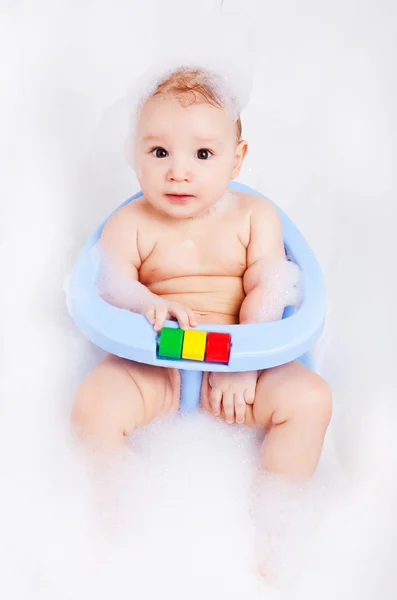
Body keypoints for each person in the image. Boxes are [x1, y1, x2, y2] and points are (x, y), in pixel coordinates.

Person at [71, 66, 332, 481]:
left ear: (237, 159)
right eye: (159, 152)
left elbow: (268, 283)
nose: (179, 171)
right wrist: (148, 302)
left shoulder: (254, 217)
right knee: (93, 407)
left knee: (311, 399)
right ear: (133, 153)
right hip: (156, 361)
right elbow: (111, 283)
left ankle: (275, 522)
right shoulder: (129, 223)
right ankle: (114, 518)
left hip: (242, 361)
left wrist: (245, 361)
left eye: (203, 154)